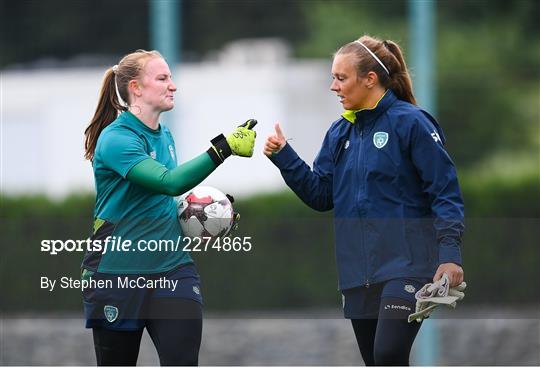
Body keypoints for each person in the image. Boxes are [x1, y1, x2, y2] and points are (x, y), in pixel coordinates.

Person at [264, 35, 464, 366]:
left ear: (370, 79)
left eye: (340, 77)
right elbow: (321, 195)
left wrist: (450, 255)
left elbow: (445, 192)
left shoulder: (411, 122)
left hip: (408, 266)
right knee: (376, 360)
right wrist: (285, 157)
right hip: (358, 274)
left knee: (388, 354)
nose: (333, 86)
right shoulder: (338, 133)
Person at [82, 49, 257, 366]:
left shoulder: (166, 136)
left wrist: (213, 213)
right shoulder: (116, 139)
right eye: (163, 78)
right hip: (117, 275)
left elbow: (167, 199)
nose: (172, 85)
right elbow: (169, 182)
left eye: (171, 78)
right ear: (136, 87)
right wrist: (223, 148)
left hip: (174, 270)